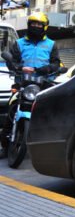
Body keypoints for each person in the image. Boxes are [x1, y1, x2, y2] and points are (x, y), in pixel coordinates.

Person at [0, 12, 60, 158]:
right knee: (12, 109)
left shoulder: (51, 44)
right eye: (33, 24)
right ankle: (4, 144)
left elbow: (56, 63)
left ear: (44, 27)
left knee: (51, 113)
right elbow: (11, 61)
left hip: (43, 84)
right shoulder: (19, 43)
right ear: (28, 25)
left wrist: (44, 69)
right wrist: (20, 68)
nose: (35, 26)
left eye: (39, 24)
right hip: (22, 82)